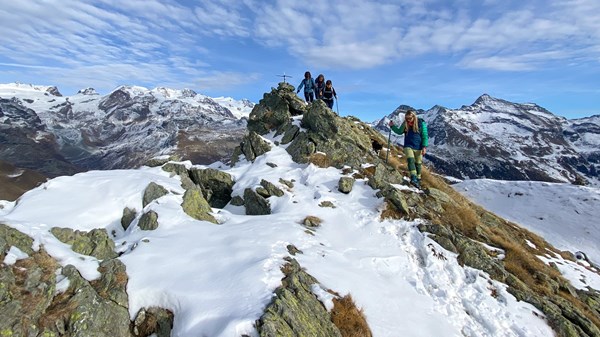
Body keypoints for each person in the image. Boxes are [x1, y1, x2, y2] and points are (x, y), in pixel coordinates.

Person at [388, 110, 428, 188]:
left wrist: (424, 147)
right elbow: (399, 132)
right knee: (411, 160)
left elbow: (425, 136)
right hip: (408, 145)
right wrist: (392, 126)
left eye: (410, 118)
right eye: (407, 118)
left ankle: (418, 179)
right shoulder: (405, 124)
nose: (408, 120)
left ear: (414, 117)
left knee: (418, 164)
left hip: (418, 147)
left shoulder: (421, 123)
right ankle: (413, 178)